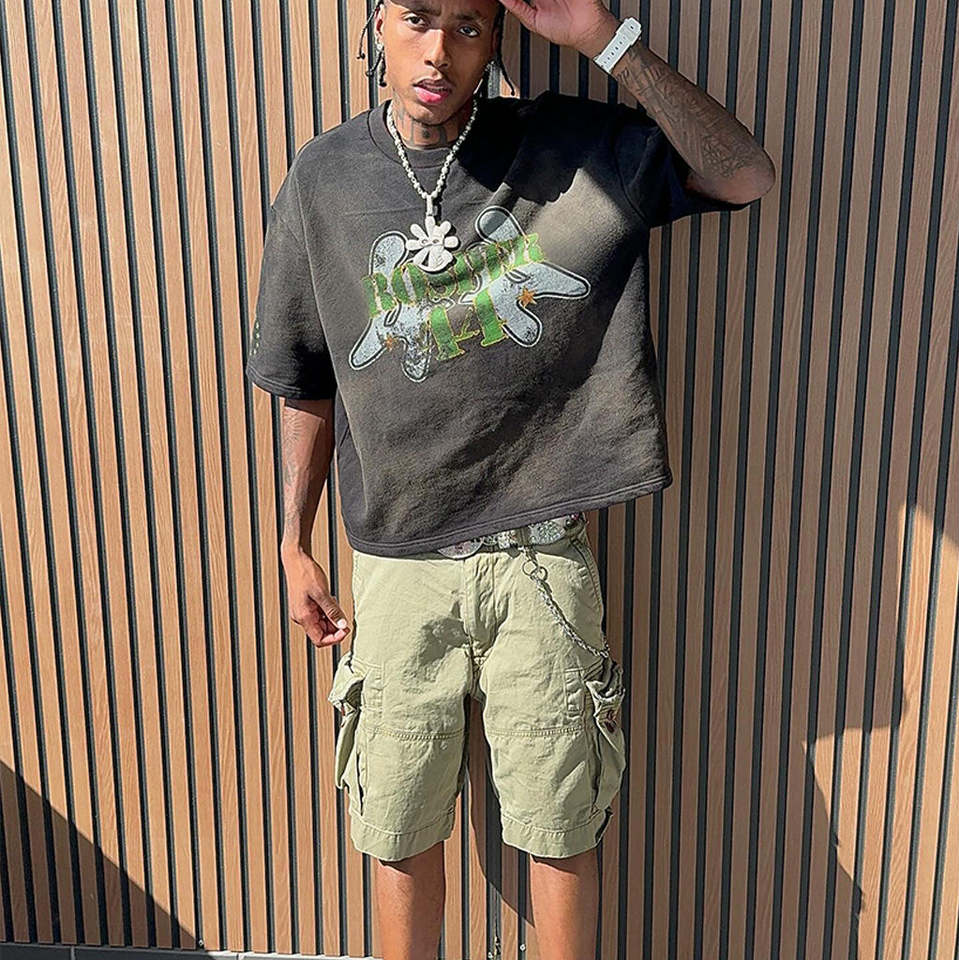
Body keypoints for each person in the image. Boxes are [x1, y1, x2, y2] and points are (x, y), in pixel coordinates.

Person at [245, 0, 775, 956]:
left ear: (496, 40)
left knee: (561, 825)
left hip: (542, 558)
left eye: (467, 28)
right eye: (417, 19)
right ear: (376, 23)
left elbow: (742, 174)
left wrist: (603, 37)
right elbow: (304, 376)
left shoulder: (568, 149)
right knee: (397, 826)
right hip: (396, 562)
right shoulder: (325, 178)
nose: (437, 53)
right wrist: (293, 542)